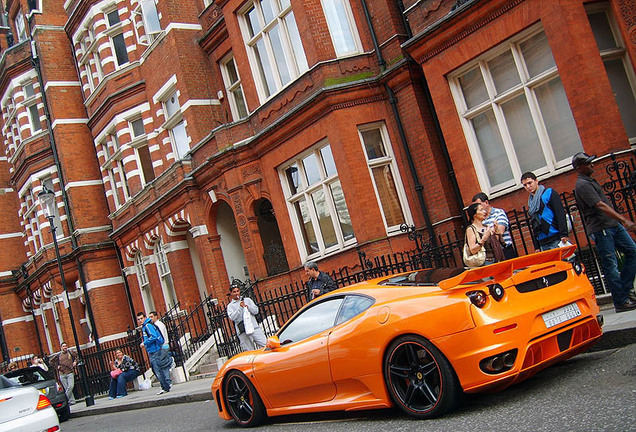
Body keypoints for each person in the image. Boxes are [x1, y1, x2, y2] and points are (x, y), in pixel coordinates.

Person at [573, 152, 636, 313]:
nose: (592, 165)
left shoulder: (589, 180)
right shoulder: (582, 185)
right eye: (588, 163)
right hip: (602, 228)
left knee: (633, 251)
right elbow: (599, 205)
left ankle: (625, 289)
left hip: (612, 225)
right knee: (611, 265)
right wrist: (623, 220)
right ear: (579, 168)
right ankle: (621, 301)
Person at [521, 172, 570, 252]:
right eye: (525, 185)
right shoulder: (531, 202)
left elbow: (560, 213)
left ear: (536, 181)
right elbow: (534, 224)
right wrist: (536, 246)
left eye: (530, 183)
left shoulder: (548, 193)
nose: (528, 187)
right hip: (542, 242)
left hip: (556, 237)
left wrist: (564, 234)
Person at [472, 192, 517, 260]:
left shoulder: (498, 213)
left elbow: (500, 230)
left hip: (504, 250)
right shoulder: (480, 220)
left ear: (486, 202)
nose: (477, 208)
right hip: (491, 254)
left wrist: (486, 234)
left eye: (479, 204)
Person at [137, 312, 172, 395]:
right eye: (138, 319)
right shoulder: (145, 326)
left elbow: (154, 336)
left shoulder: (148, 326)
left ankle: (165, 387)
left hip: (155, 350)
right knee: (155, 369)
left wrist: (144, 343)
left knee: (157, 370)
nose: (140, 320)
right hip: (152, 350)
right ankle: (165, 386)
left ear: (145, 318)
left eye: (141, 318)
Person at [227, 285, 266, 351]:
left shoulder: (247, 300)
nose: (236, 293)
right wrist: (239, 308)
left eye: (237, 291)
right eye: (234, 292)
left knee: (265, 345)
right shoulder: (230, 306)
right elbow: (232, 317)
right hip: (243, 331)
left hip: (254, 328)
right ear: (231, 293)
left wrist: (247, 306)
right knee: (249, 350)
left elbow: (256, 311)